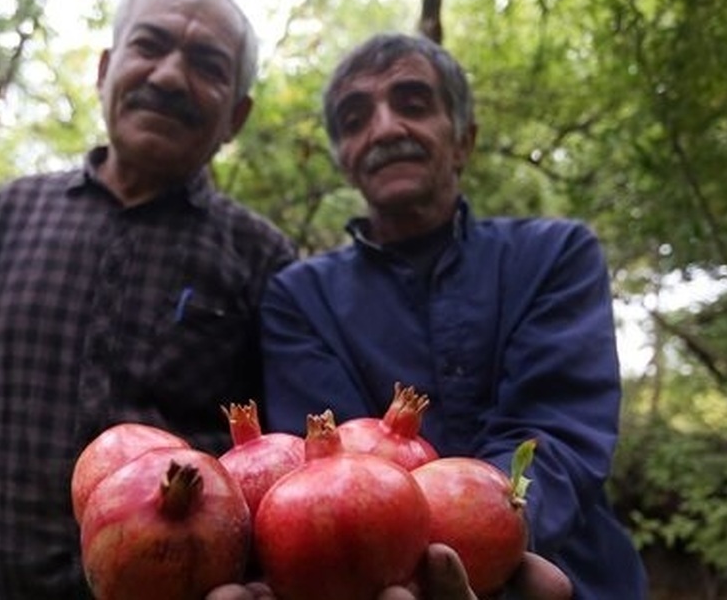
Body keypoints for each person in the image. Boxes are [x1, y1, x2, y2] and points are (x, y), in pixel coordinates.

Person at [0, 0, 297, 599]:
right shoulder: (7, 219)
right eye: (150, 46)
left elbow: (276, 462)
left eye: (207, 65)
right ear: (105, 68)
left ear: (237, 115)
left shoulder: (264, 257)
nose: (170, 77)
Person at [258, 32, 649, 599]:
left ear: (464, 139)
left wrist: (479, 539)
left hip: (577, 581)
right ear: (344, 159)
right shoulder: (299, 298)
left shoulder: (556, 255)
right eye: (355, 117)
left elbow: (556, 436)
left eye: (413, 104)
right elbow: (332, 471)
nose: (386, 128)